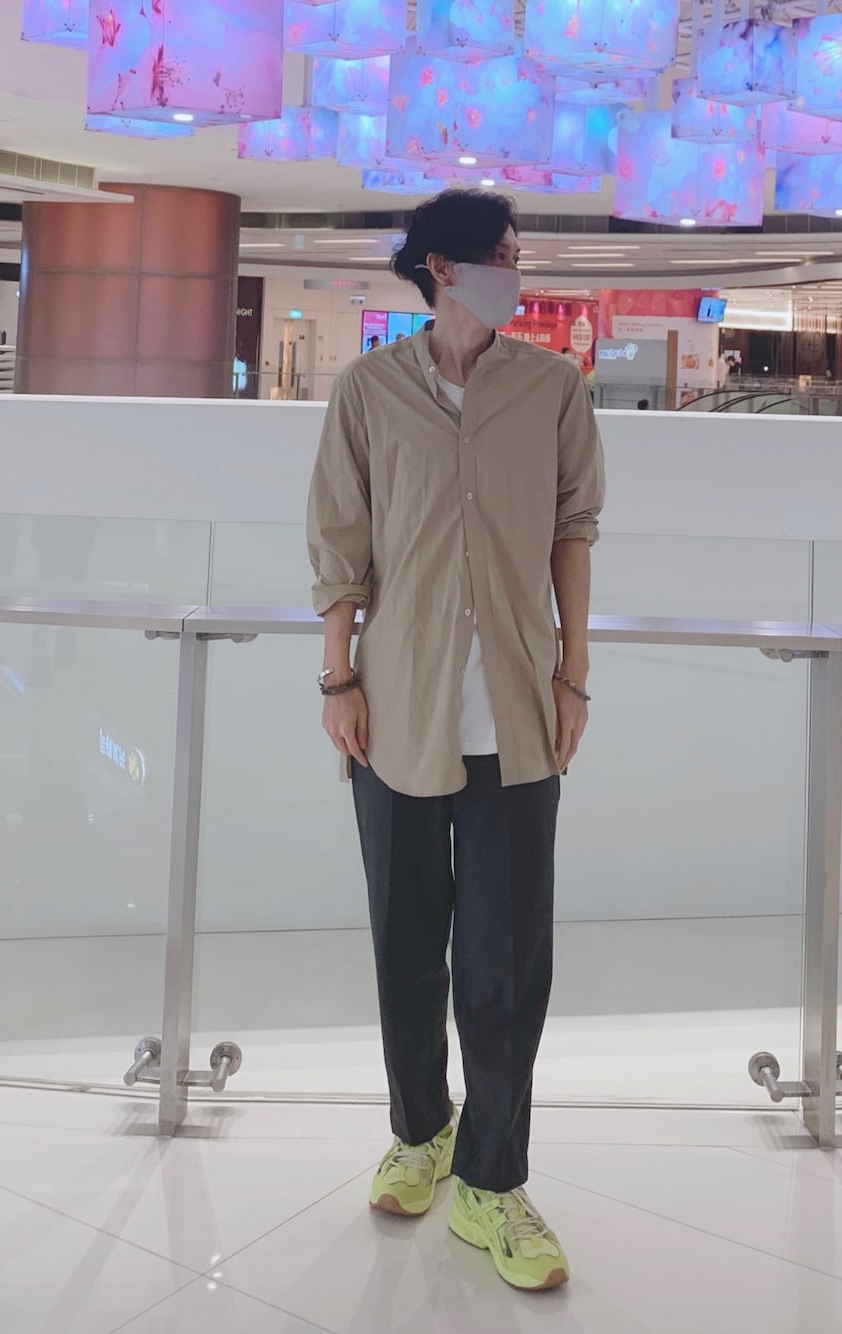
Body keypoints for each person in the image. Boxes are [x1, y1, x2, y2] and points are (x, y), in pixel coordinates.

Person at [307, 189, 604, 1293]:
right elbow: (339, 539)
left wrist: (574, 672)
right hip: (394, 704)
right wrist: (338, 676)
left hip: (519, 709)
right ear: (443, 267)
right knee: (404, 940)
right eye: (503, 256)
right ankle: (419, 1130)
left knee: (506, 959)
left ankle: (493, 1179)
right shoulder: (368, 390)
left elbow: (573, 529)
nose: (516, 272)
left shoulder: (552, 388)